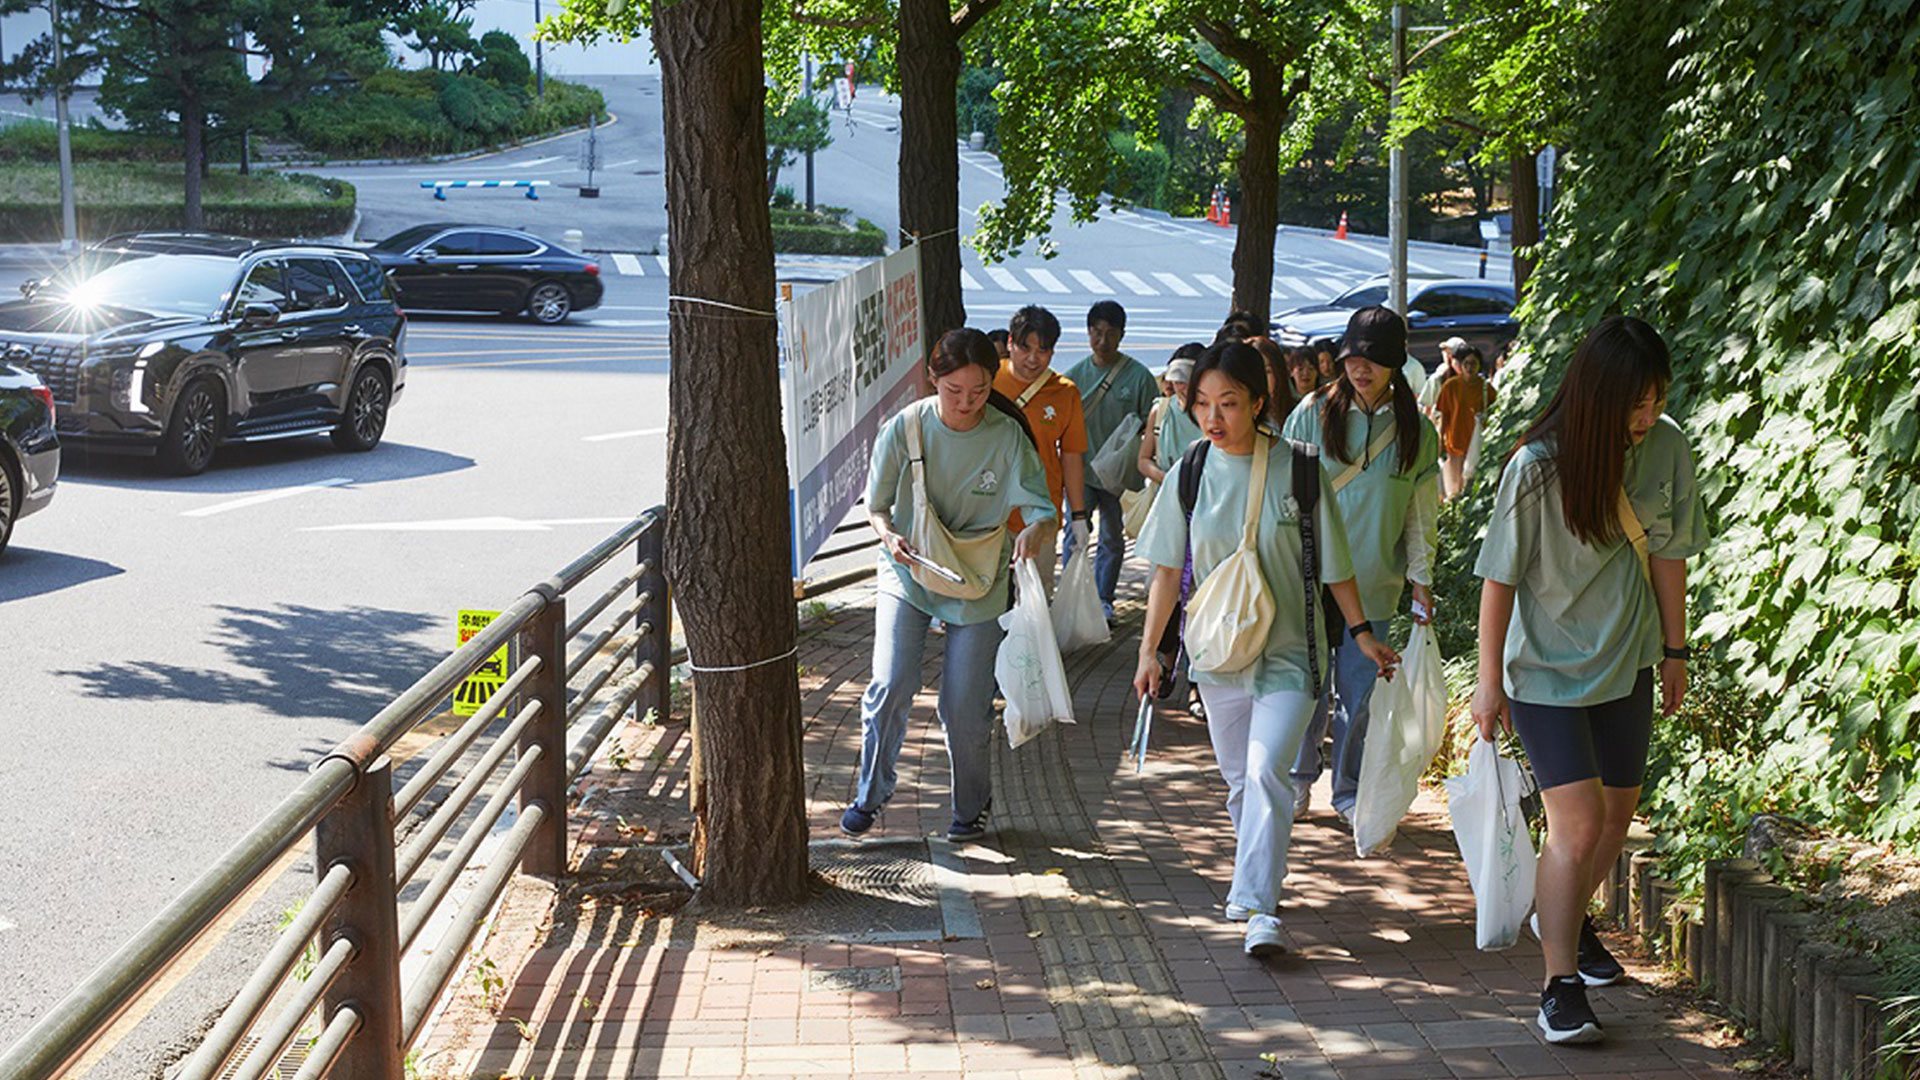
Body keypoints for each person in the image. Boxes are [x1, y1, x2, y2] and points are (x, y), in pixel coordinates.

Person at [1471, 316, 1708, 1044]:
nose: (1644, 416)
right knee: (1574, 824)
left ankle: (1561, 914)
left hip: (1628, 660)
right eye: (1632, 402)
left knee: (1615, 816)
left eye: (1654, 399)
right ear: (1596, 396)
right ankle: (1558, 986)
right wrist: (1488, 682)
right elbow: (1498, 580)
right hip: (1543, 671)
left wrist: (1676, 651)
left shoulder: (1666, 446)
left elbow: (1670, 556)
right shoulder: (1538, 465)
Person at [1132, 341, 1397, 957]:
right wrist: (1150, 651)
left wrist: (1362, 636)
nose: (1212, 417)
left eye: (1228, 403)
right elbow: (1167, 572)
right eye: (1201, 403)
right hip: (1218, 656)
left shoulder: (1302, 469)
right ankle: (1263, 880)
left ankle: (1257, 907)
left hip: (1292, 656)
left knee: (1264, 772)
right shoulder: (1189, 472)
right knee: (1239, 785)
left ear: (1258, 402)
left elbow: (1336, 570)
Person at [844, 328, 1056, 843]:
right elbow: (876, 507)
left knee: (964, 705)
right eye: (953, 391)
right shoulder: (905, 428)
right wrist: (889, 536)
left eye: (980, 391)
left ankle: (970, 805)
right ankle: (870, 793)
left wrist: (1035, 529)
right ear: (932, 379)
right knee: (892, 682)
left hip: (979, 573)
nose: (967, 403)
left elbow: (1042, 509)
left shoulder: (1007, 436)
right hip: (909, 566)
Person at [1285, 307, 1440, 823]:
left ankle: (1347, 792)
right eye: (1354, 357)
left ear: (1395, 364)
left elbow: (1421, 515)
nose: (1361, 369)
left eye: (1374, 360)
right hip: (1308, 583)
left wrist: (1421, 578)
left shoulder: (1416, 430)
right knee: (1305, 689)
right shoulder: (1312, 413)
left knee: (1360, 698)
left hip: (1375, 585)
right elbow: (1286, 499)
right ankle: (1297, 779)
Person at [1062, 300, 1158, 622]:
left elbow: (1152, 425)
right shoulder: (1073, 378)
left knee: (1112, 539)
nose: (1102, 341)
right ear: (1088, 333)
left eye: (1110, 334)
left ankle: (1104, 600)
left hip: (1121, 479)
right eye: (1096, 333)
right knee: (1075, 535)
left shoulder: (1140, 377)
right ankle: (1070, 598)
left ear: (1122, 335)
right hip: (1082, 472)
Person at [995, 305, 1090, 593]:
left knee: (1034, 602)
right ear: (1010, 343)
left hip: (1040, 515)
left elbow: (1071, 456)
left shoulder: (1065, 392)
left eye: (1044, 350)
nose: (1033, 359)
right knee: (984, 602)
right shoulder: (986, 379)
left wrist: (1078, 516)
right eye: (1025, 348)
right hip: (988, 512)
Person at [1135, 343, 1206, 703]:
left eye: (1187, 380)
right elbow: (1143, 460)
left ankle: (1197, 678)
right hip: (1170, 510)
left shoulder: (1211, 414)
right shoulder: (1160, 412)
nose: (1181, 387)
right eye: (1176, 380)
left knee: (1200, 598)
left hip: (1205, 516)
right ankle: (1164, 663)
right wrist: (1172, 479)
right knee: (1165, 589)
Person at [1435, 344, 1495, 499]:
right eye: (1466, 363)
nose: (1469, 367)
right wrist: (1440, 440)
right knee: (1454, 491)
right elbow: (1443, 416)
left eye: (1473, 363)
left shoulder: (1486, 389)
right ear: (1460, 365)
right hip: (1454, 443)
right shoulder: (1451, 386)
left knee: (1472, 489)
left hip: (1477, 444)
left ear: (1479, 365)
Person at [1419, 336, 1469, 419]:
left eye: (1449, 353)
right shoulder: (1437, 378)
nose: (1446, 355)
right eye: (1445, 352)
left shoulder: (1471, 379)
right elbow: (1427, 408)